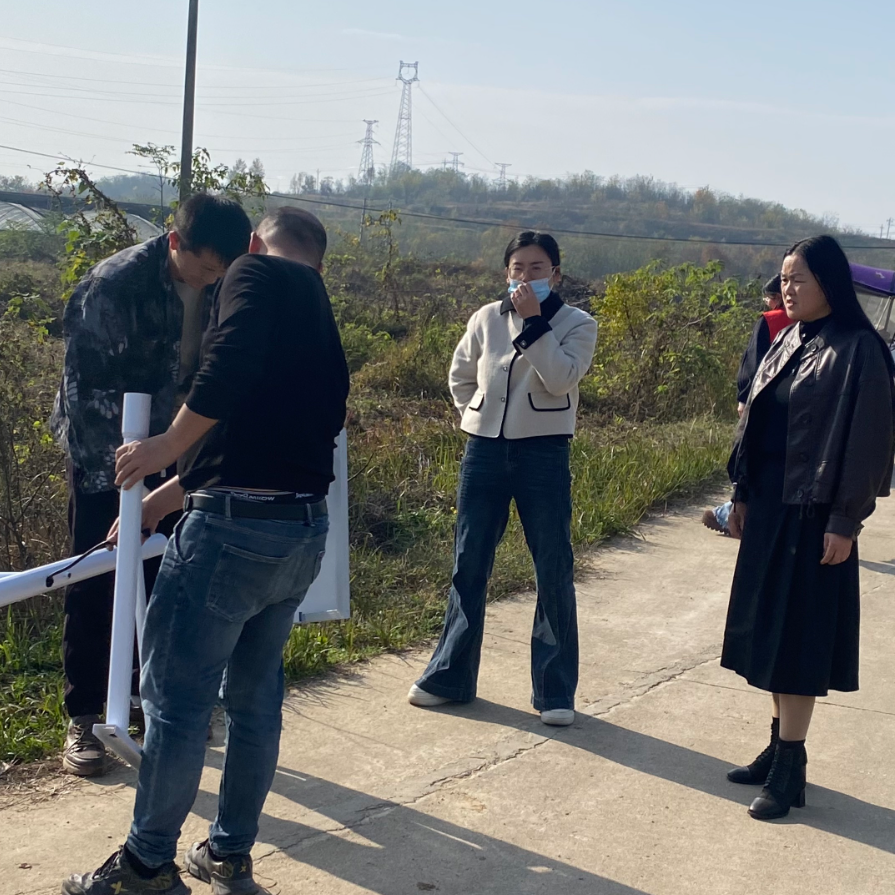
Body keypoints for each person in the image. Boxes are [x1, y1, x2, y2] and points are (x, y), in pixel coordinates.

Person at [64, 206, 350, 895]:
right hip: (300, 531)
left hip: (228, 536)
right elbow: (260, 427)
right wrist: (165, 497)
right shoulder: (314, 305)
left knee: (177, 703)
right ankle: (228, 853)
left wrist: (164, 445)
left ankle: (145, 864)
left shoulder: (254, 274)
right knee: (254, 702)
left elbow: (225, 371)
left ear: (250, 246)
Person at [50, 193, 252, 777]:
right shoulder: (114, 285)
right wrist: (120, 481)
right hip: (107, 451)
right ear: (174, 241)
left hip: (178, 446)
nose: (211, 279)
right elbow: (85, 391)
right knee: (98, 576)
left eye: (220, 270)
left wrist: (181, 457)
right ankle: (85, 714)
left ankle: (149, 701)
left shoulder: (229, 284)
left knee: (169, 576)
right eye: (203, 267)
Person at [721, 235, 895, 820]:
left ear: (829, 282)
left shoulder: (858, 349)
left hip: (814, 512)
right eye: (784, 279)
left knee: (797, 641)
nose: (788, 289)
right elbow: (755, 426)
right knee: (770, 634)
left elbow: (868, 445)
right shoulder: (787, 338)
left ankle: (791, 766)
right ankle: (777, 748)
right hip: (770, 507)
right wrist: (742, 493)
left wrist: (845, 519)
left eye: (799, 278)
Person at [408, 231, 598, 727]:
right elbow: (460, 374)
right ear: (506, 272)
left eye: (537, 268)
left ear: (556, 274)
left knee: (552, 566)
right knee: (469, 562)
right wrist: (476, 413)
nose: (526, 276)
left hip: (543, 452)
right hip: (484, 451)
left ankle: (555, 692)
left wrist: (535, 323)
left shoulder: (578, 324)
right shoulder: (486, 318)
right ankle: (449, 677)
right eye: (517, 267)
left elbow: (561, 378)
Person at [704, 274, 785, 536]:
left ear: (777, 298)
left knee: (751, 462)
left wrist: (744, 398)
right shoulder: (815, 324)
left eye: (769, 298)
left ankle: (733, 515)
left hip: (764, 407)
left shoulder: (770, 321)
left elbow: (753, 366)